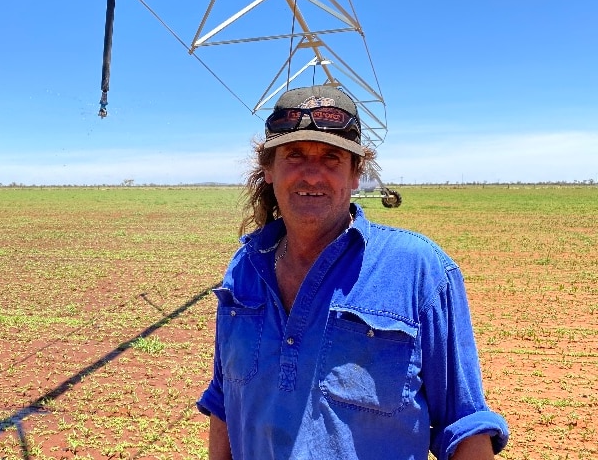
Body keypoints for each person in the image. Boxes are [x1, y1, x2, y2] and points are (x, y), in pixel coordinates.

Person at [196, 85, 509, 460]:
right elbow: (224, 403)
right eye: (294, 154)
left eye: (331, 157)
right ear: (268, 168)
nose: (312, 175)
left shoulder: (418, 269)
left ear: (356, 173)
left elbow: (464, 427)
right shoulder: (244, 268)